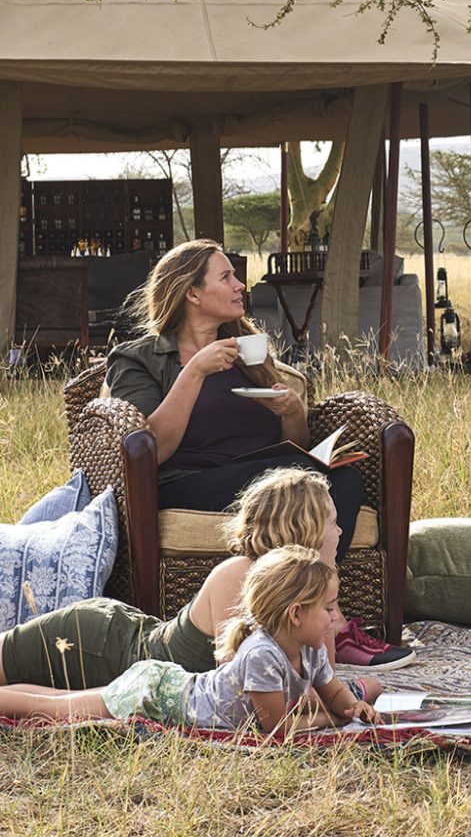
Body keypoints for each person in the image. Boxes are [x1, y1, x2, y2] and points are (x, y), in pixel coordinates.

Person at [102, 239, 403, 665]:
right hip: (189, 483)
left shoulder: (248, 350)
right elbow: (153, 449)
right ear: (192, 292)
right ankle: (329, 623)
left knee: (345, 479)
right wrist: (195, 370)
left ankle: (314, 614)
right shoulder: (138, 359)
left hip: (269, 476)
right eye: (227, 277)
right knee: (308, 478)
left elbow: (292, 446)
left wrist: (293, 411)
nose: (241, 285)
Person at [0, 468, 405, 698]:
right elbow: (248, 692)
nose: (340, 532)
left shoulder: (306, 586)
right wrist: (354, 692)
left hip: (118, 644)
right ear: (307, 529)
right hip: (99, 646)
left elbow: (320, 679)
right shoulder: (245, 575)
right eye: (332, 522)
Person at [0, 546, 379, 735]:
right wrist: (332, 719)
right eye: (328, 608)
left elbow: (335, 695)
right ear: (296, 614)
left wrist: (354, 708)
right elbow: (274, 729)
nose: (335, 617)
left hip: (168, 683)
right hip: (157, 694)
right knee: (61, 710)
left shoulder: (310, 651)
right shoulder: (263, 654)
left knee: (63, 701)